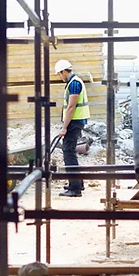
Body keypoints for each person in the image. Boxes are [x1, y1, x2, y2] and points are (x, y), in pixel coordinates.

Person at [55, 59, 90, 197]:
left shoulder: (74, 84)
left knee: (68, 151)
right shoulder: (74, 82)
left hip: (74, 122)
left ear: (64, 71)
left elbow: (71, 106)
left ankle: (74, 189)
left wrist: (64, 127)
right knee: (70, 151)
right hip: (75, 122)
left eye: (59, 74)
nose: (59, 77)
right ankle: (77, 183)